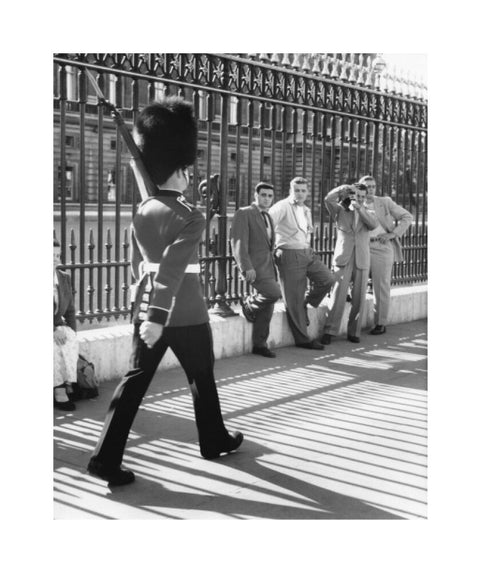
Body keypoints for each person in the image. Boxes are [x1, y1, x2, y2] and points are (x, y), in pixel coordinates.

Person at [87, 97, 243, 487]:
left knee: (133, 384)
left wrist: (147, 311)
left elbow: (141, 259)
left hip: (146, 311)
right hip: (185, 313)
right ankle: (213, 438)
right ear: (180, 169)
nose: (191, 175)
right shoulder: (191, 214)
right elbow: (173, 268)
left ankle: (105, 458)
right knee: (202, 377)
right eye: (187, 169)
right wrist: (159, 317)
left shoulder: (143, 210)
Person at [268, 176, 336, 349]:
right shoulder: (282, 206)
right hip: (289, 254)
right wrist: (271, 247)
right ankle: (302, 339)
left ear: (307, 192)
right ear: (291, 191)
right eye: (296, 190)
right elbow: (267, 224)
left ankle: (307, 302)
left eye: (303, 190)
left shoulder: (305, 209)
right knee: (293, 298)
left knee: (327, 279)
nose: (300, 193)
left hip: (307, 253)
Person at [320, 183, 378, 344]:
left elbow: (373, 225)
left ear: (365, 198)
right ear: (350, 195)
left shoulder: (369, 212)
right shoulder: (339, 210)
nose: (358, 198)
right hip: (343, 259)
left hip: (361, 259)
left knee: (359, 297)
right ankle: (330, 331)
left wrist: (359, 208)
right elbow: (327, 199)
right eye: (355, 195)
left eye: (361, 196)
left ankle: (354, 331)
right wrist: (342, 189)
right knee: (338, 295)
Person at [230, 182, 281, 358]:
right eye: (263, 195)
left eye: (270, 196)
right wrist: (246, 267)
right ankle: (250, 305)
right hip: (254, 267)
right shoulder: (244, 213)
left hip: (268, 267)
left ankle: (260, 344)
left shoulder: (269, 216)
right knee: (273, 294)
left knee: (268, 307)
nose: (267, 199)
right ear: (256, 195)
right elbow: (238, 242)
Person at [359, 175, 413, 335]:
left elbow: (407, 217)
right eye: (367, 186)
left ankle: (380, 323)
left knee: (381, 286)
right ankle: (353, 325)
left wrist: (393, 234)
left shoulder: (384, 202)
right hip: (362, 246)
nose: (370, 189)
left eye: (373, 186)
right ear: (360, 188)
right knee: (356, 283)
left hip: (382, 247)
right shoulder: (355, 203)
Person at [54, 238, 79, 411]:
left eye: (57, 255)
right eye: (51, 255)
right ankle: (59, 391)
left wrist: (72, 331)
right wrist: (53, 330)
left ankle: (69, 381)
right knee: (53, 346)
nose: (55, 258)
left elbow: (70, 309)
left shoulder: (63, 278)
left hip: (57, 326)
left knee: (69, 339)